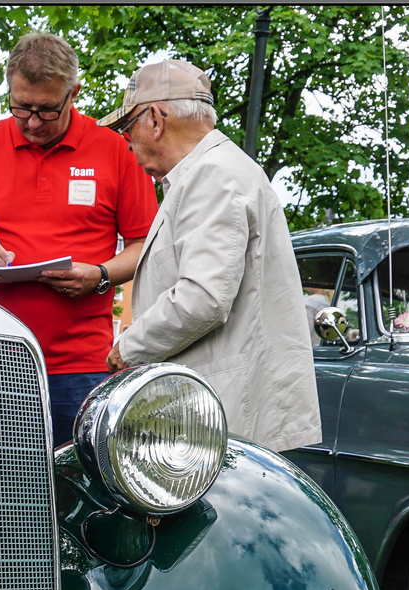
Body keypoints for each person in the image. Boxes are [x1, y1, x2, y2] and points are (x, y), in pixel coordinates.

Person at [0, 31, 158, 446]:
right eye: (21, 108)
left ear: (74, 92)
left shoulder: (116, 151)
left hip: (81, 365)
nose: (33, 122)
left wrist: (100, 274)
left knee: (79, 492)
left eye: (47, 110)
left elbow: (145, 245)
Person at [104, 59, 322, 451]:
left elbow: (202, 298)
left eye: (127, 127)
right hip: (227, 406)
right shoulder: (214, 169)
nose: (127, 140)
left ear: (155, 119)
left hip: (226, 414)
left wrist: (129, 346)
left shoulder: (211, 174)